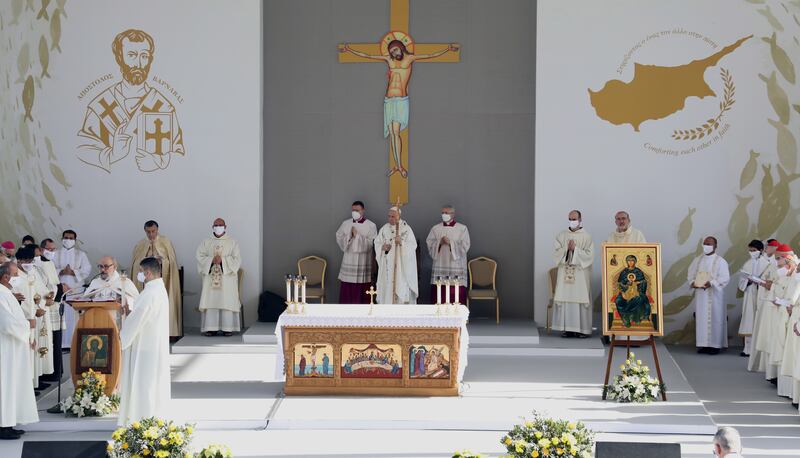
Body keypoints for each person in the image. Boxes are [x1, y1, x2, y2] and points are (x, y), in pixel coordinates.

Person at [340, 41, 459, 178]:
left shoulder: (410, 58)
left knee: (396, 132)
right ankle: (397, 165)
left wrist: (447, 49)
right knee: (392, 133)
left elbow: (430, 55)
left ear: (401, 47)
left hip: (401, 100)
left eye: (395, 50)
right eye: (391, 52)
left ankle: (400, 167)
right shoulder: (388, 59)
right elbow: (369, 56)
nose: (394, 53)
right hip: (388, 100)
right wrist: (350, 50)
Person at [77, 29, 185, 173]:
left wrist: (159, 162)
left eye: (144, 56)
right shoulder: (100, 105)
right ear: (119, 58)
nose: (139, 64)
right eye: (132, 55)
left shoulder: (163, 106)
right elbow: (82, 149)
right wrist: (112, 155)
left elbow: (179, 153)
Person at [118, 257, 170, 426]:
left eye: (140, 272)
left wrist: (122, 335)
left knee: (144, 384)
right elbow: (144, 315)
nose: (139, 275)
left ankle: (141, 420)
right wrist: (131, 311)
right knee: (150, 384)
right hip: (153, 344)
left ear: (147, 273)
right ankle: (150, 419)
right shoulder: (158, 289)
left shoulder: (149, 293)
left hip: (144, 348)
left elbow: (137, 320)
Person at [0, 262, 39, 440]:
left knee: (10, 386)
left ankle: (7, 424)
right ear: (6, 277)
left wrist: (27, 334)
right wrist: (28, 325)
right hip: (5, 348)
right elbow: (7, 323)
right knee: (5, 386)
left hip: (12, 347)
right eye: (16, 275)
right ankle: (2, 426)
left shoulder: (6, 292)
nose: (18, 279)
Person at [130, 220, 181, 337]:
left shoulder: (166, 242)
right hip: (144, 285)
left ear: (157, 230)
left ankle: (167, 332)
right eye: (148, 232)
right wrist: (146, 261)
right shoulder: (140, 244)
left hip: (163, 282)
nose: (151, 234)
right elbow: (135, 263)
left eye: (153, 231)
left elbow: (171, 262)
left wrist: (161, 261)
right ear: (145, 231)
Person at [15, 246, 56, 391]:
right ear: (18, 260)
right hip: (27, 317)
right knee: (29, 349)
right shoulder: (15, 275)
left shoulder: (31, 271)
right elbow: (19, 298)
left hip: (39, 312)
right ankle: (28, 386)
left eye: (31, 260)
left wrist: (48, 296)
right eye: (26, 260)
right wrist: (33, 311)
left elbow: (41, 288)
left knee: (37, 348)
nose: (29, 263)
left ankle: (36, 380)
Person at [552, 210, 594, 338]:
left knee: (580, 299)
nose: (572, 221)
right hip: (565, 273)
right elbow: (556, 253)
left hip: (580, 276)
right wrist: (566, 249)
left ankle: (582, 330)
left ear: (580, 220)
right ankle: (567, 329)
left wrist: (575, 250)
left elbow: (589, 256)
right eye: (570, 218)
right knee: (566, 299)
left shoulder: (587, 236)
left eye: (575, 219)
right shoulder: (561, 235)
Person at [196, 218, 242, 336]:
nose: (218, 227)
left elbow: (237, 259)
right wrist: (211, 260)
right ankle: (211, 328)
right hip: (211, 276)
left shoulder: (232, 242)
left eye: (220, 225)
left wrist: (223, 261)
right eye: (216, 225)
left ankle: (227, 328)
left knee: (226, 300)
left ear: (225, 226)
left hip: (227, 279)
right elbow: (199, 256)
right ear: (212, 227)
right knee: (211, 301)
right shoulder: (206, 242)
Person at [688, 236, 730, 355]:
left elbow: (725, 278)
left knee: (715, 318)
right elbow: (690, 274)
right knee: (702, 319)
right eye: (705, 243)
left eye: (709, 244)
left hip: (715, 296)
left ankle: (715, 345)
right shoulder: (697, 260)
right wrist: (693, 283)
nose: (706, 246)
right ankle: (703, 344)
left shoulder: (721, 261)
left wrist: (711, 283)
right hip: (701, 295)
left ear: (715, 246)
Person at [51, 230, 91, 349]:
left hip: (75, 291)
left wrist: (73, 272)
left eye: (71, 238)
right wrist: (61, 271)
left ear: (75, 240)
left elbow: (87, 269)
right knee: (60, 317)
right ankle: (60, 343)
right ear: (62, 238)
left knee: (73, 318)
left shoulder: (81, 254)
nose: (68, 240)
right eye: (66, 238)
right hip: (59, 290)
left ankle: (73, 342)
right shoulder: (55, 254)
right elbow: (49, 269)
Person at [426, 205, 470, 304]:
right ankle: (438, 314)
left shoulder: (462, 228)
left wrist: (451, 243)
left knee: (456, 292)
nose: (444, 215)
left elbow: (465, 245)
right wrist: (439, 242)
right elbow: (430, 243)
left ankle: (457, 315)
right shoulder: (436, 228)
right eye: (442, 213)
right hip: (440, 263)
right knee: (439, 291)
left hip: (455, 264)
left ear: (453, 214)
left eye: (446, 213)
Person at [335, 201, 378, 304]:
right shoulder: (346, 223)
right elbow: (339, 237)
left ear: (363, 210)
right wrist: (349, 235)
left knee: (362, 289)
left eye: (357, 210)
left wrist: (357, 236)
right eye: (353, 210)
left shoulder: (371, 225)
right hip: (349, 259)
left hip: (363, 261)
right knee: (347, 290)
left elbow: (371, 243)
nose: (355, 212)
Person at [749, 239, 780, 375]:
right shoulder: (769, 262)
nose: (766, 248)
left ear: (774, 247)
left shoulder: (776, 263)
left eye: (768, 246)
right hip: (764, 300)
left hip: (773, 304)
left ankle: (770, 370)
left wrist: (769, 285)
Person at [374, 206, 418, 304]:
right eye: (389, 216)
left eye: (393, 216)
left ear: (399, 216)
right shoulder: (384, 229)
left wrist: (401, 242)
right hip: (387, 267)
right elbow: (377, 243)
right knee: (387, 286)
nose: (390, 218)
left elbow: (412, 247)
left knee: (400, 285)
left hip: (401, 268)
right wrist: (382, 247)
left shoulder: (406, 229)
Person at [35, 241, 65, 382]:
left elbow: (54, 283)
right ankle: (48, 372)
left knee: (56, 339)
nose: (51, 251)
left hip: (55, 303)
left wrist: (57, 290)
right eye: (49, 249)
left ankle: (57, 370)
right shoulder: (37, 264)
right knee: (49, 340)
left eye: (54, 249)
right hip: (46, 304)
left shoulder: (50, 263)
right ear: (41, 249)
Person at [738, 240, 770, 357]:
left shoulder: (767, 263)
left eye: (754, 250)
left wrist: (759, 281)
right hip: (750, 293)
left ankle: (760, 351)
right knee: (749, 319)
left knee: (760, 319)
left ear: (761, 250)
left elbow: (770, 279)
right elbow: (741, 281)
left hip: (762, 294)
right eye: (750, 250)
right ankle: (747, 349)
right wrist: (748, 280)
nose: (752, 252)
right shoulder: (747, 264)